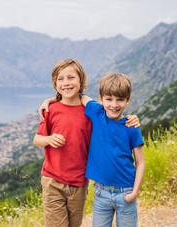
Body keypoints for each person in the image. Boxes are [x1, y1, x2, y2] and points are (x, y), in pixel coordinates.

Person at [33, 59, 140, 227]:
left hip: (79, 182)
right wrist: (48, 139)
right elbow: (37, 139)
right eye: (60, 79)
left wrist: (132, 119)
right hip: (52, 179)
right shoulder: (50, 110)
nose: (66, 82)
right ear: (55, 83)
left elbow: (111, 115)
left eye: (71, 78)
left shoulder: (91, 113)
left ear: (81, 81)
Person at [80, 73, 145, 227]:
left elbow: (140, 163)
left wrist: (134, 192)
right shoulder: (96, 112)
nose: (114, 105)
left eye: (120, 100)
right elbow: (78, 95)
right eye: (109, 99)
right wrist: (48, 100)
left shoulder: (131, 127)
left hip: (126, 192)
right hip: (101, 192)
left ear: (127, 100)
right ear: (101, 98)